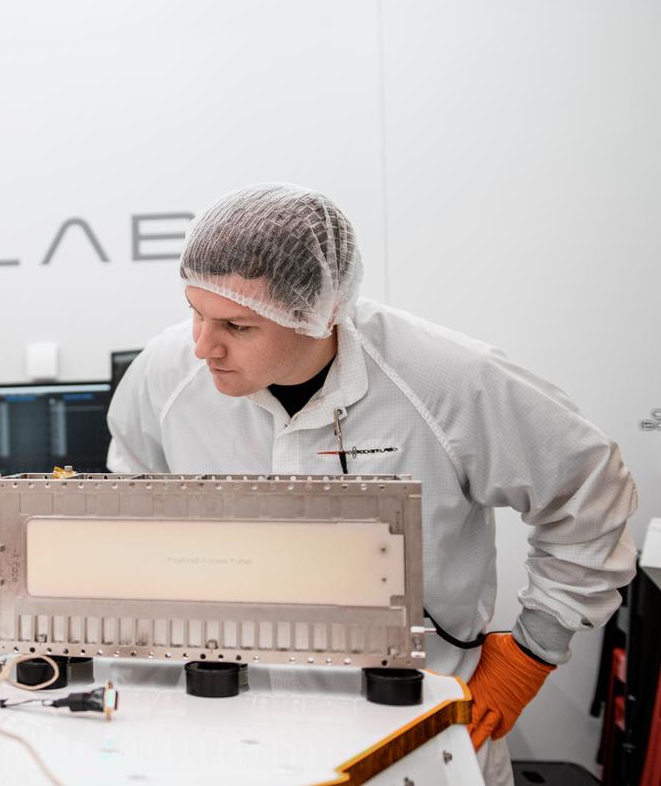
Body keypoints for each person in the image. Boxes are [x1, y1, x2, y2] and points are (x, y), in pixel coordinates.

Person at [107, 182, 637, 783]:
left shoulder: (445, 380)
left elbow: (590, 491)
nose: (204, 346)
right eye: (194, 312)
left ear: (320, 313)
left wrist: (533, 649)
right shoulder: (166, 375)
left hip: (412, 730)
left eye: (237, 325)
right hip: (226, 730)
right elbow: (137, 509)